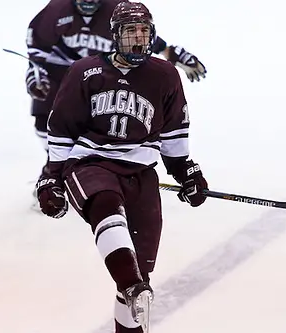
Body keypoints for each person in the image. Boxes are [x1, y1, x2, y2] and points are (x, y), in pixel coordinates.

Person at [35, 2, 208, 332]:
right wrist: (51, 178)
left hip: (141, 172)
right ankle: (131, 283)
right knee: (105, 205)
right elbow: (61, 129)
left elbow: (173, 134)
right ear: (115, 36)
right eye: (131, 32)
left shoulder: (164, 75)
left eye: (144, 31)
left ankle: (131, 293)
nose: (139, 39)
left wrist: (186, 172)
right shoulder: (85, 72)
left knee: (142, 272)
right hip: (89, 162)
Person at [26, 0, 207, 183]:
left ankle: (97, 168)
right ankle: (55, 171)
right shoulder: (56, 10)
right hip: (61, 71)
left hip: (102, 74)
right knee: (46, 122)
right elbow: (37, 46)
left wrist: (171, 52)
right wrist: (36, 72)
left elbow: (140, 33)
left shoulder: (115, 8)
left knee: (103, 121)